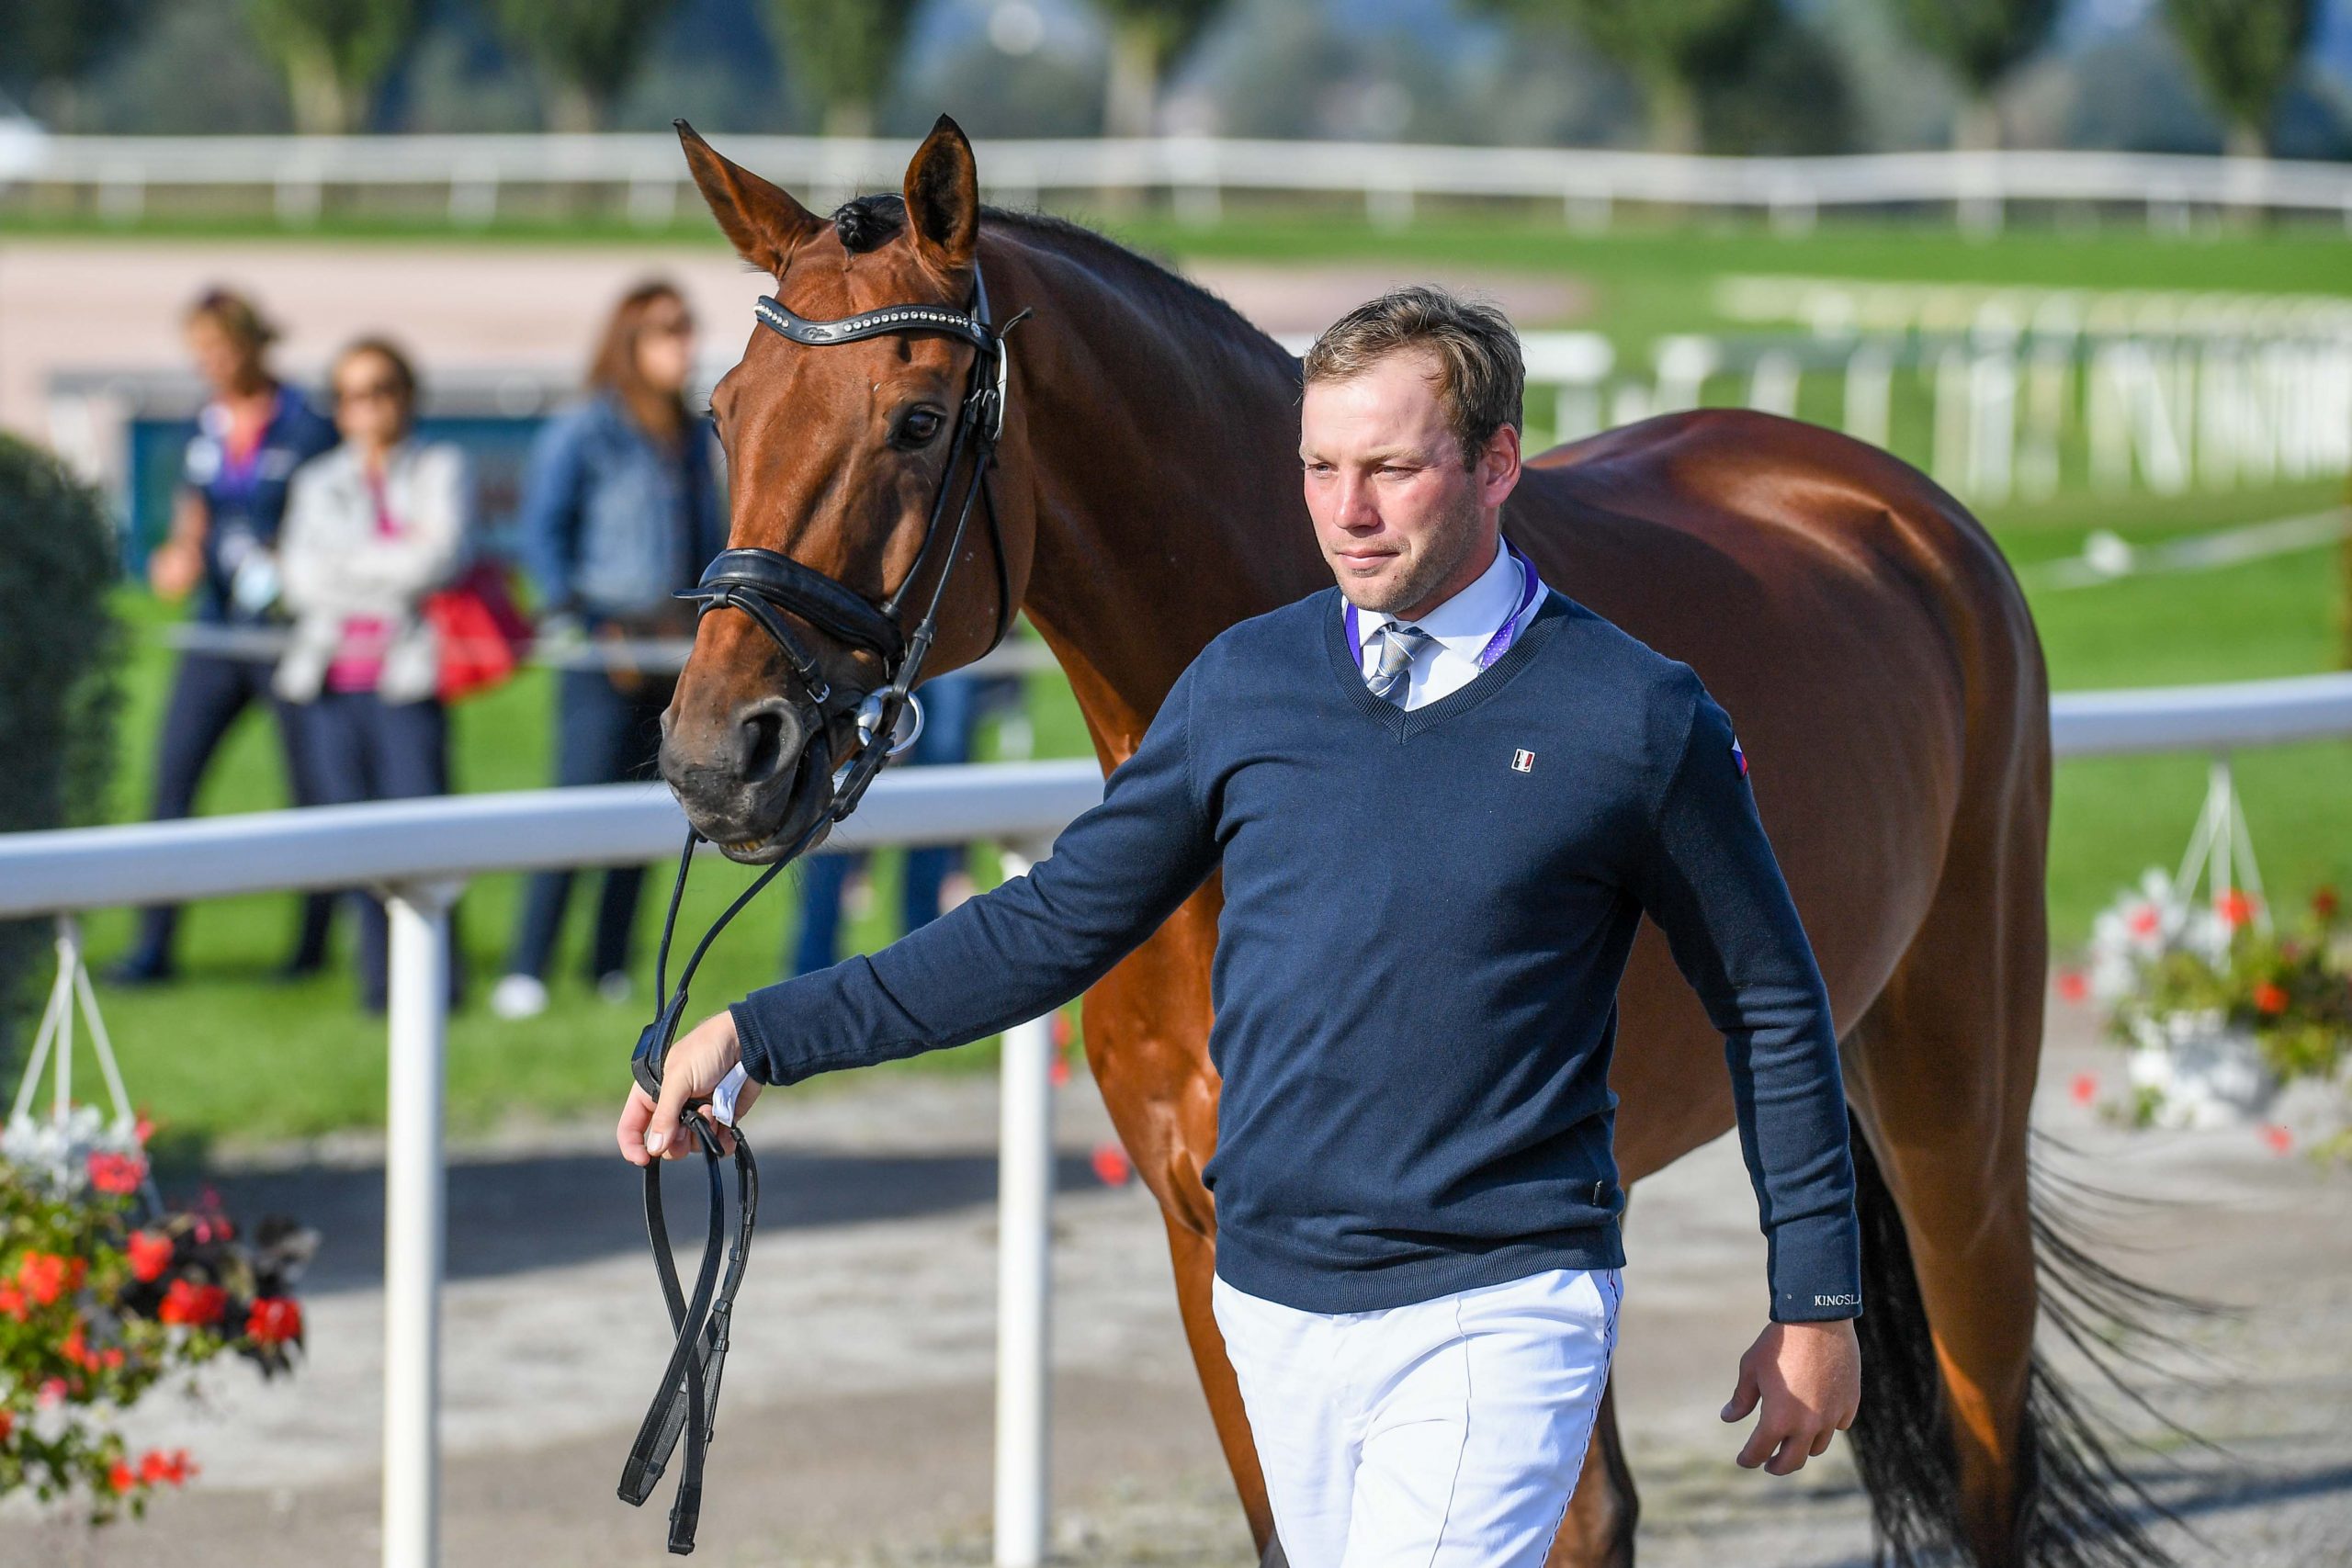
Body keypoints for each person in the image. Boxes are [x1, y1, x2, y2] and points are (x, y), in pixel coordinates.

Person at [620, 287, 1863, 1565]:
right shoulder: (1244, 683)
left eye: (1391, 466)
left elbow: (1772, 1002)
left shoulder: (1637, 713)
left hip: (1501, 1308)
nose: (1348, 510)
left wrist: (1815, 1299)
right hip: (1274, 1309)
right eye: (1321, 466)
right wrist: (759, 1032)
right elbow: (1050, 923)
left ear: (1497, 465)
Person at [491, 281, 725, 1021]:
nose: (681, 343)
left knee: (652, 806)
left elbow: (707, 535)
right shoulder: (584, 428)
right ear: (630, 339)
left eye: (686, 328)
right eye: (664, 330)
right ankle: (528, 965)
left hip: (674, 640)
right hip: (604, 642)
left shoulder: (692, 434)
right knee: (576, 806)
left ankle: (611, 961)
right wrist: (590, 630)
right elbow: (543, 539)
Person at [107, 288, 340, 987]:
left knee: (311, 790)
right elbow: (193, 518)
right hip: (217, 633)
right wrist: (178, 555)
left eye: (221, 348)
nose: (210, 364)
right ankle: (153, 947)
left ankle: (310, 948)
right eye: (199, 352)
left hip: (285, 637)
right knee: (171, 782)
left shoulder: (305, 425)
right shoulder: (204, 427)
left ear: (252, 343)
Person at [274, 337, 469, 1012]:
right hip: (329, 683)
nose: (371, 405)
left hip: (407, 678)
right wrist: (391, 564)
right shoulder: (315, 480)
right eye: (355, 393)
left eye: (384, 387)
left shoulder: (440, 466)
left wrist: (350, 567)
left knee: (425, 836)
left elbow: (439, 558)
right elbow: (299, 580)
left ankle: (443, 984)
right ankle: (377, 985)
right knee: (351, 844)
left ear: (407, 394)